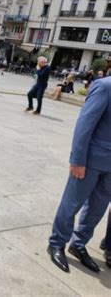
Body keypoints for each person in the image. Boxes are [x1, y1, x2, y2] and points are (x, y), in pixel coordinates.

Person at [48, 76, 111, 273]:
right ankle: (57, 243)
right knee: (72, 203)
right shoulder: (105, 86)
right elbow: (85, 124)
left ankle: (79, 244)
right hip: (91, 160)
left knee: (97, 209)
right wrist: (77, 160)